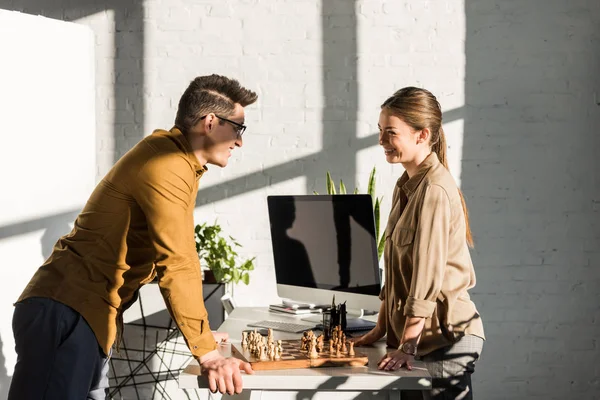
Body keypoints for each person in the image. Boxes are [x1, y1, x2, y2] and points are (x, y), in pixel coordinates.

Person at [8, 74, 257, 399]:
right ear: (210, 122)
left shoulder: (175, 161)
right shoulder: (167, 165)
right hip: (67, 313)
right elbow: (178, 262)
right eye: (238, 129)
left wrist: (204, 337)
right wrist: (207, 354)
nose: (240, 141)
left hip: (89, 318)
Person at [352, 87, 485, 399]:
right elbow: (397, 274)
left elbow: (426, 276)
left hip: (445, 338)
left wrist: (408, 345)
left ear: (422, 135)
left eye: (390, 133)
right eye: (379, 131)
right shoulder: (406, 186)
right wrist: (381, 329)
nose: (381, 141)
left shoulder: (434, 190)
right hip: (416, 338)